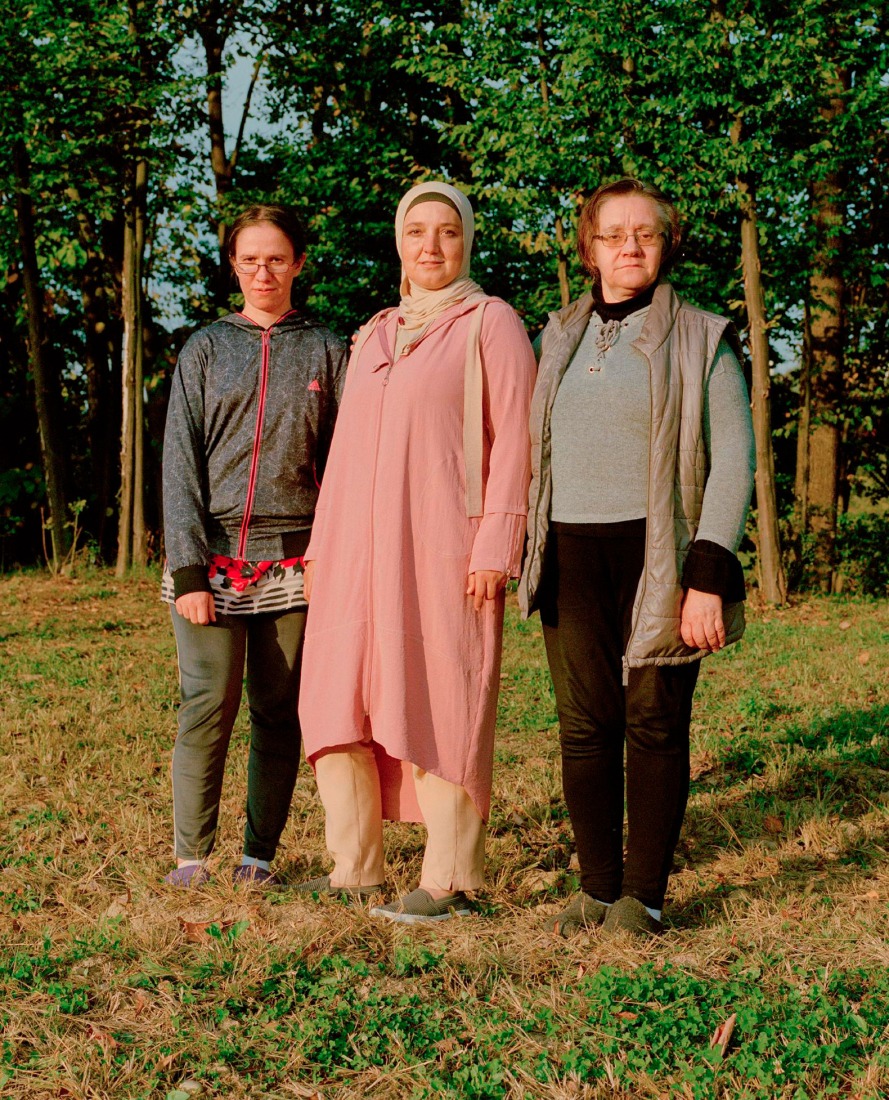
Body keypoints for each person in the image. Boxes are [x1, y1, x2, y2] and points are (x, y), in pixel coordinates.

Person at [519, 178, 755, 937]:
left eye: (645, 234)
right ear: (588, 247)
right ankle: (595, 889)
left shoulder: (703, 338)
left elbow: (735, 462)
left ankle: (642, 899)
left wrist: (707, 575)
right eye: (613, 234)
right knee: (584, 725)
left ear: (665, 244)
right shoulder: (554, 335)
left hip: (659, 553)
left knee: (653, 722)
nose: (629, 246)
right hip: (570, 550)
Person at [296, 181, 536, 922]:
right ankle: (355, 866)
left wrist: (496, 540)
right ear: (398, 242)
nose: (430, 247)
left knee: (439, 696)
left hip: (443, 549)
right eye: (416, 232)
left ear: (467, 242)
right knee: (337, 701)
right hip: (351, 557)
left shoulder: (489, 322)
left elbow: (518, 442)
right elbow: (343, 454)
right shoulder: (372, 334)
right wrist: (320, 548)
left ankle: (452, 879)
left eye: (446, 232)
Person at [161, 203, 347, 888]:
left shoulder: (328, 349)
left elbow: (345, 466)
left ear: (298, 262)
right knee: (208, 701)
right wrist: (187, 572)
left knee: (278, 708)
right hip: (209, 558)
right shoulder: (205, 349)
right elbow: (178, 461)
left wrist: (330, 554)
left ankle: (257, 856)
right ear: (233, 266)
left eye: (276, 258)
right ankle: (191, 857)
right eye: (249, 259)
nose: (263, 271)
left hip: (295, 562)